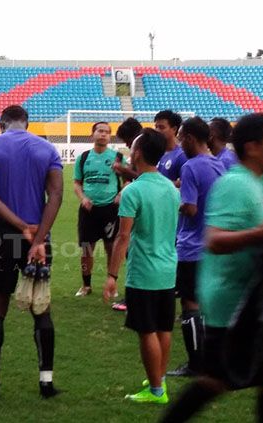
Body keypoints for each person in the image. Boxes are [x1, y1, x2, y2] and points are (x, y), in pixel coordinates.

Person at [161, 113, 263, 422]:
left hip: (250, 303)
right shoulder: (235, 184)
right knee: (214, 381)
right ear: (252, 147)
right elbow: (214, 240)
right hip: (231, 307)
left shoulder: (253, 183)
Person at [0, 105, 63, 399]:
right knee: (41, 307)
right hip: (38, 237)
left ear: (2, 123)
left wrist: (18, 225)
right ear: (27, 123)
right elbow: (57, 194)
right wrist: (37, 237)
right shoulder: (46, 149)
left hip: (2, 235)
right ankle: (46, 382)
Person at [102, 128, 180, 404]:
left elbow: (123, 237)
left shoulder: (133, 191)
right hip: (168, 269)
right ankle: (159, 377)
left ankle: (156, 391)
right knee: (164, 328)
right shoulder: (171, 187)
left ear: (137, 153)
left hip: (144, 272)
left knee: (147, 330)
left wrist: (111, 275)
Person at [167, 117, 226, 378]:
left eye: (181, 138)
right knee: (209, 305)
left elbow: (190, 208)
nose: (180, 144)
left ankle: (195, 364)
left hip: (191, 246)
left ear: (190, 137)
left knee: (190, 305)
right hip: (214, 244)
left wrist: (171, 198)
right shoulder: (220, 164)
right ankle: (215, 359)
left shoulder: (191, 167)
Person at [74, 122, 126, 297]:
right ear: (92, 134)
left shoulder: (118, 157)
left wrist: (121, 194)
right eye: (100, 131)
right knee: (86, 249)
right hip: (88, 210)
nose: (103, 134)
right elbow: (76, 183)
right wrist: (83, 198)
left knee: (111, 247)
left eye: (107, 132)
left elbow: (127, 180)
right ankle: (86, 285)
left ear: (110, 136)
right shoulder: (83, 158)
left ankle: (112, 284)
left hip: (110, 209)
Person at [154, 110, 187, 185]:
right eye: (156, 127)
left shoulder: (182, 155)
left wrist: (161, 184)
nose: (157, 130)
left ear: (174, 129)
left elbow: (186, 183)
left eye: (161, 127)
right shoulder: (155, 152)